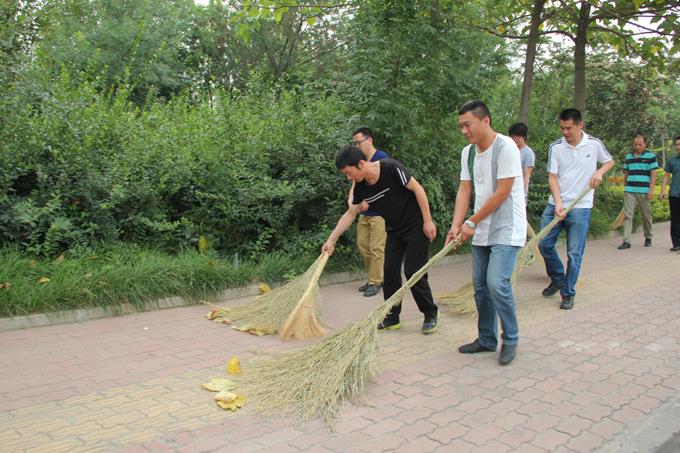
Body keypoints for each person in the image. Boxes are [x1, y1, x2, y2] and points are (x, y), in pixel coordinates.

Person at [323, 146, 439, 334]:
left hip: (416, 226)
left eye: (348, 173)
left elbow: (418, 189)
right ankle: (392, 317)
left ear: (361, 164)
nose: (348, 178)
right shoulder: (361, 187)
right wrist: (331, 240)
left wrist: (427, 220)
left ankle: (430, 313)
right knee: (390, 272)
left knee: (413, 272)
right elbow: (350, 214)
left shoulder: (391, 168)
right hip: (394, 230)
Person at [446, 100, 527, 366]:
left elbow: (503, 192)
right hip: (481, 227)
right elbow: (464, 189)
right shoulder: (468, 153)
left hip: (506, 226)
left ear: (486, 121)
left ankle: (511, 338)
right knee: (480, 287)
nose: (464, 130)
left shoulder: (506, 148)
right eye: (461, 126)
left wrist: (471, 222)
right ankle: (486, 338)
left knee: (496, 283)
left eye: (467, 124)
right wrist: (457, 224)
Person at [538, 108, 615, 310]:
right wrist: (558, 203)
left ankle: (568, 293)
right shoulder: (556, 147)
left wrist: (600, 172)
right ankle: (558, 278)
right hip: (556, 205)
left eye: (569, 128)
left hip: (580, 207)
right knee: (544, 244)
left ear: (580, 125)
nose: (565, 132)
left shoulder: (593, 144)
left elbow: (609, 161)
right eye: (562, 128)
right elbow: (552, 177)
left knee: (574, 254)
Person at [350, 127, 389, 297]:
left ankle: (376, 281)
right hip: (365, 214)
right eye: (354, 143)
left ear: (369, 140)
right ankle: (375, 277)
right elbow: (355, 183)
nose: (356, 146)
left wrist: (368, 201)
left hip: (380, 213)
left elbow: (386, 185)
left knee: (376, 248)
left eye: (358, 142)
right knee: (363, 246)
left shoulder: (382, 157)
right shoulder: (360, 161)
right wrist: (352, 200)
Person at [618, 135, 658, 249]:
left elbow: (653, 174)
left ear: (645, 144)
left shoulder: (651, 156)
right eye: (635, 144)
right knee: (628, 215)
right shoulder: (629, 157)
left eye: (640, 145)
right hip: (630, 190)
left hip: (644, 191)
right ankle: (626, 241)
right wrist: (625, 185)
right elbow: (626, 173)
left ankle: (648, 237)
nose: (637, 147)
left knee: (646, 216)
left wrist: (651, 190)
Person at [660, 136, 680, 251]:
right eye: (677, 144)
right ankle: (676, 244)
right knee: (675, 220)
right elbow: (666, 176)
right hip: (674, 194)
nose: (678, 147)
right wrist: (662, 191)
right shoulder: (671, 161)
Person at [508, 122, 536, 201]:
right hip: (507, 192)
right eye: (513, 136)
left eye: (518, 136)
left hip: (519, 195)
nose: (515, 139)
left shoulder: (528, 153)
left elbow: (526, 176)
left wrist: (521, 194)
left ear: (524, 137)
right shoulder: (509, 150)